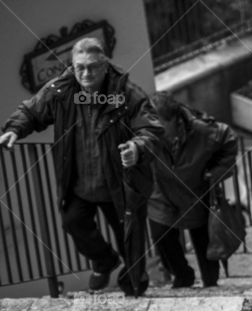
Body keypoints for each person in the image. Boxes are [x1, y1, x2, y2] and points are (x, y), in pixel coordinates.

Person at [0, 37, 162, 295]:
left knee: (129, 241)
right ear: (72, 66)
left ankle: (134, 290)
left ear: (105, 66)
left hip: (119, 185)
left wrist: (136, 148)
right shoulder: (62, 91)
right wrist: (14, 130)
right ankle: (104, 261)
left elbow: (151, 130)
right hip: (79, 182)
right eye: (80, 67)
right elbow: (32, 111)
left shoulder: (128, 94)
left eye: (92, 67)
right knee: (72, 221)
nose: (85, 73)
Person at [147, 92, 238, 289]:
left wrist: (216, 171)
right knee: (161, 235)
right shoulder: (146, 131)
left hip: (195, 190)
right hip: (162, 191)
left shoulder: (202, 130)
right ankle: (183, 276)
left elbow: (229, 139)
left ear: (175, 121)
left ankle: (210, 283)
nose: (153, 128)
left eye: (160, 123)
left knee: (204, 240)